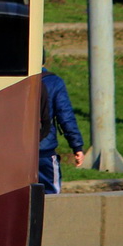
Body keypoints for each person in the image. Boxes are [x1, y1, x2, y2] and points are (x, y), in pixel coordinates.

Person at [40, 66, 86, 194]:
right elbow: (65, 117)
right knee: (50, 195)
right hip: (44, 150)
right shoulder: (53, 82)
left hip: (16, 153)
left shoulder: (9, 79)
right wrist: (77, 146)